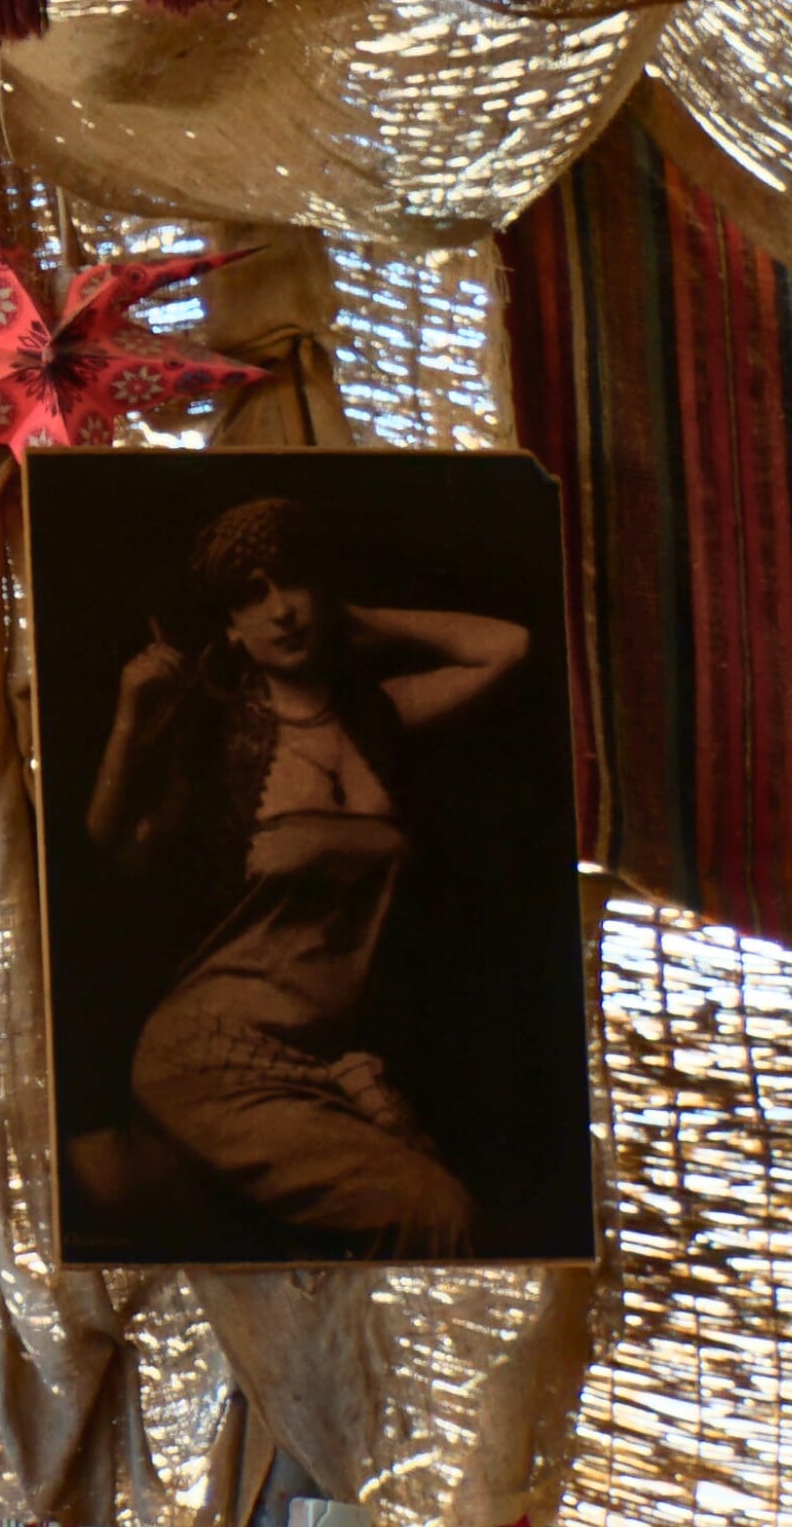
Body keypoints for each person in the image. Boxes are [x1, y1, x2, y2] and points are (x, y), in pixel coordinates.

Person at [79, 494, 532, 1258]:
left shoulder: (379, 717)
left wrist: (356, 617)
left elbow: (509, 647)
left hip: (318, 1059)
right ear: (230, 626)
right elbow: (107, 844)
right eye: (251, 596)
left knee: (439, 1221)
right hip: (212, 1046)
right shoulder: (218, 742)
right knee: (435, 1213)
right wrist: (128, 721)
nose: (282, 610)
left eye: (293, 581)